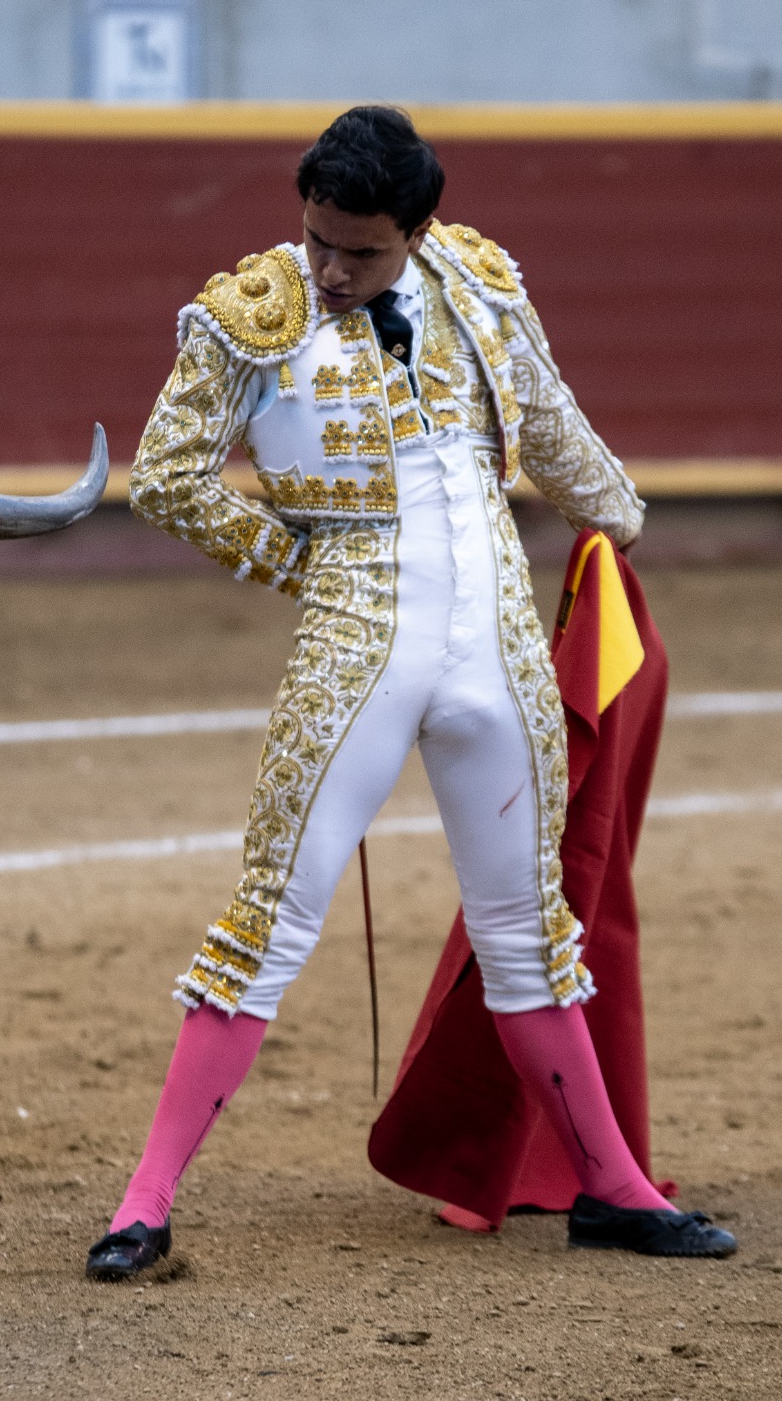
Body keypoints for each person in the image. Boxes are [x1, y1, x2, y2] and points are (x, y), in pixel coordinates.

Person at [86, 106, 736, 1279]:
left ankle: (613, 1189)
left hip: (495, 647)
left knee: (528, 931)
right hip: (354, 650)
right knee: (267, 919)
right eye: (318, 240)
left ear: (418, 232)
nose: (332, 270)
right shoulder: (249, 315)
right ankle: (143, 1205)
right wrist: (305, 566)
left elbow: (546, 420)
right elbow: (167, 477)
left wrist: (614, 513)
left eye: (362, 251)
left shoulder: (479, 282)